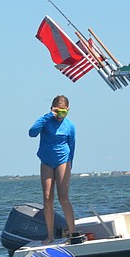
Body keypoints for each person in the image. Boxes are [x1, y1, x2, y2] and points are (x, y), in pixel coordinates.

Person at [29, 95, 77, 243]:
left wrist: (70, 165)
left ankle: (72, 232)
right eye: (58, 112)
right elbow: (32, 133)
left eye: (64, 112)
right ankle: (50, 235)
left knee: (63, 197)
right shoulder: (46, 120)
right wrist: (49, 115)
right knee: (48, 198)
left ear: (68, 110)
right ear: (52, 109)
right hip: (46, 160)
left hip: (63, 160)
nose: (60, 115)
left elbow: (72, 146)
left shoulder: (70, 126)